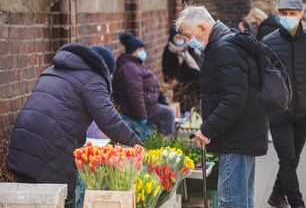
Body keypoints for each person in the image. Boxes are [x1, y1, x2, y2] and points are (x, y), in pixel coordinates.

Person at [6, 44, 143, 207]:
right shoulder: (93, 79)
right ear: (104, 70)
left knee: (29, 201)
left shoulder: (51, 71)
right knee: (62, 199)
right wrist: (139, 147)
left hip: (22, 144)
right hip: (50, 148)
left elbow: (60, 113)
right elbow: (110, 121)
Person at [176, 5, 268, 208]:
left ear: (201, 27)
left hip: (236, 138)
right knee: (241, 200)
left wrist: (207, 130)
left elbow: (233, 99)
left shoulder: (225, 49)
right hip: (241, 134)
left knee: (231, 201)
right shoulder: (225, 44)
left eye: (189, 35)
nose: (188, 41)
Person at [263, 0, 306, 208]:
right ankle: (297, 203)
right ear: (278, 14)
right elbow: (263, 77)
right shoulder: (269, 42)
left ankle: (275, 195)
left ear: (301, 14)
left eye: (292, 13)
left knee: (293, 160)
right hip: (279, 113)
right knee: (287, 160)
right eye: (284, 13)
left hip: (304, 110)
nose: (288, 17)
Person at [112, 32, 175, 135]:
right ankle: (163, 145)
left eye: (143, 49)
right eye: (140, 50)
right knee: (168, 114)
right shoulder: (129, 68)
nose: (143, 52)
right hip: (140, 111)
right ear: (132, 52)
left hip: (149, 105)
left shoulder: (134, 65)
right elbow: (135, 94)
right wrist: (142, 117)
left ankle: (160, 142)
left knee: (167, 112)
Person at [162, 25, 203, 115]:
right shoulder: (168, 50)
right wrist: (169, 81)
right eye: (177, 36)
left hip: (193, 84)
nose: (180, 38)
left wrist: (178, 79)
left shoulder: (190, 48)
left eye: (182, 35)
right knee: (180, 110)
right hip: (177, 87)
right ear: (172, 37)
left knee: (193, 111)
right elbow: (166, 68)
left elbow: (194, 70)